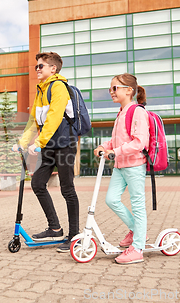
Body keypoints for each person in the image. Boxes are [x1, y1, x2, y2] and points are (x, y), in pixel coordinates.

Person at [12, 52, 80, 252]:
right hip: (49, 145)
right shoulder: (41, 91)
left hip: (64, 143)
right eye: (36, 66)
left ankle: (74, 235)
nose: (37, 70)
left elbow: (54, 117)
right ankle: (55, 228)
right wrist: (23, 142)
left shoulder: (58, 87)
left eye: (41, 66)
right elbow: (34, 120)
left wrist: (39, 142)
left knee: (67, 189)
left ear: (53, 69)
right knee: (38, 183)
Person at [93, 73, 149, 265]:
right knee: (111, 199)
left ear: (129, 90)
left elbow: (140, 142)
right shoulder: (121, 113)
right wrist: (104, 146)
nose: (111, 92)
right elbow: (117, 139)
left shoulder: (138, 112)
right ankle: (136, 230)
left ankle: (138, 248)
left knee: (138, 205)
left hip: (134, 166)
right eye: (110, 88)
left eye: (115, 88)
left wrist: (114, 151)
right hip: (120, 165)